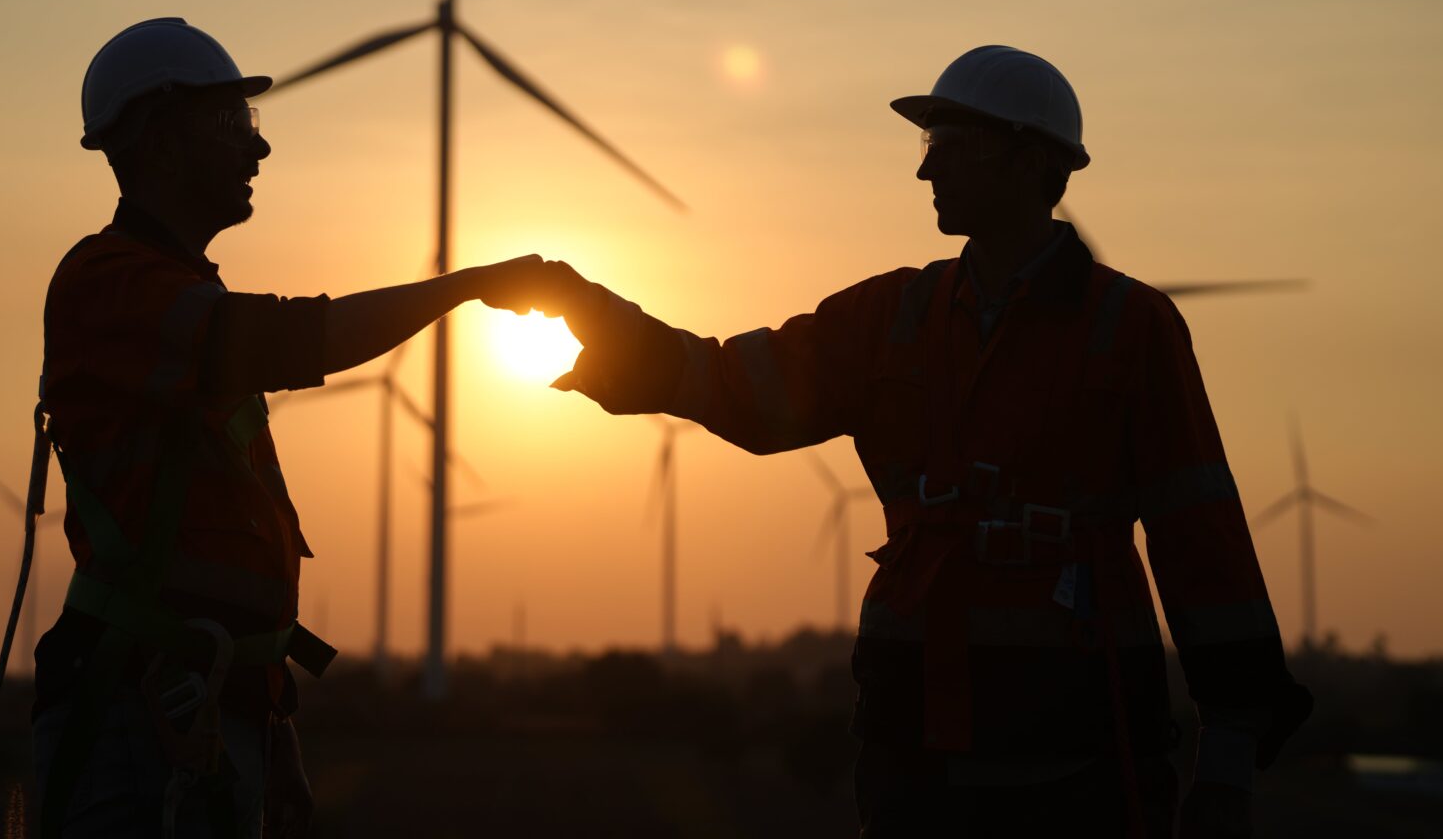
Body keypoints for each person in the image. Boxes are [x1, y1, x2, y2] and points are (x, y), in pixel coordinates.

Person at [524, 45, 1310, 838]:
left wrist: (1228, 763)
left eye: (948, 147)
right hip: (914, 759)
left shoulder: (1130, 329)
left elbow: (1202, 542)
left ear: (1029, 161)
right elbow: (733, 384)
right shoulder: (891, 317)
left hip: (1079, 762)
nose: (924, 173)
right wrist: (593, 315)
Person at [32, 18, 546, 838]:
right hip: (137, 720)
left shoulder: (179, 292)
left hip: (202, 711)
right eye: (234, 124)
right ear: (162, 140)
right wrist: (467, 285)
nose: (258, 150)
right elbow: (298, 339)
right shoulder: (113, 288)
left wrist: (272, 727)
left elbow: (224, 541)